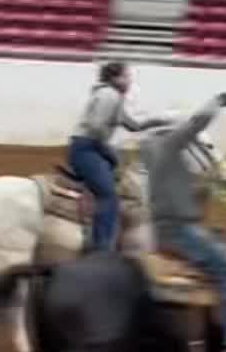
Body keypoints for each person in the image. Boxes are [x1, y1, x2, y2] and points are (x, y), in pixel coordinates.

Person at [140, 90, 226, 352]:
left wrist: (215, 180)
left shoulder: (155, 154)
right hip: (181, 231)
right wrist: (219, 101)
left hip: (166, 228)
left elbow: (189, 186)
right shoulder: (169, 146)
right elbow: (198, 122)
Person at [67, 61, 169, 253]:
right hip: (88, 148)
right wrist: (106, 150)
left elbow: (133, 125)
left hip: (87, 146)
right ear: (115, 78)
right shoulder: (109, 95)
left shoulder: (111, 96)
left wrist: (162, 121)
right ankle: (102, 247)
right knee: (108, 196)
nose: (129, 81)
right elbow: (96, 126)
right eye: (126, 76)